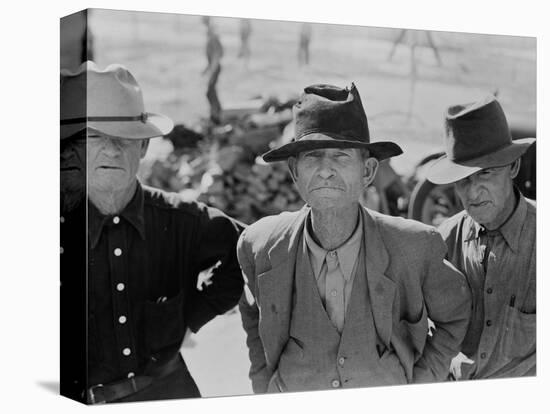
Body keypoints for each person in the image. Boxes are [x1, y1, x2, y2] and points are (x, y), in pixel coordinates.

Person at [238, 83, 471, 393]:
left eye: (341, 157)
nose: (325, 171)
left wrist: (420, 385)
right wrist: (263, 385)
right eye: (312, 157)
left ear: (368, 171)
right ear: (294, 171)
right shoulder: (260, 245)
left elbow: (455, 316)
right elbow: (254, 314)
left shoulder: (413, 246)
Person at [60, 61, 244, 403]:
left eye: (124, 139)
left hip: (170, 395)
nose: (112, 150)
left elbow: (250, 249)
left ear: (143, 148)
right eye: (94, 138)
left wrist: (193, 314)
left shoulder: (181, 219)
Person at [426, 96, 536, 380]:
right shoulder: (444, 241)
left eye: (485, 173)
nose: (473, 193)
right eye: (463, 179)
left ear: (513, 168)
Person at [202, 16, 224, 124]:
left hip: (215, 68)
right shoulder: (211, 35)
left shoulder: (213, 37)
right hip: (213, 67)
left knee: (210, 92)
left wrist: (212, 70)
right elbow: (212, 57)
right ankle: (215, 112)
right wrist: (206, 69)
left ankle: (216, 114)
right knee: (211, 91)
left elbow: (216, 55)